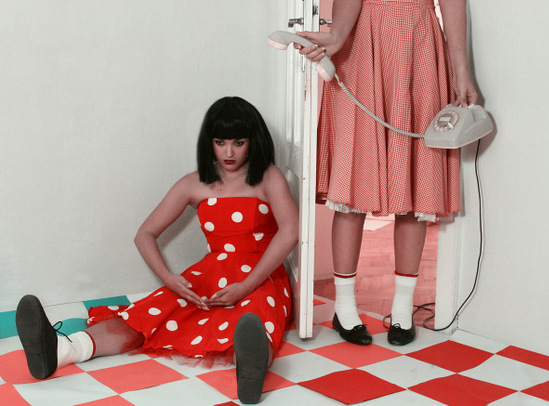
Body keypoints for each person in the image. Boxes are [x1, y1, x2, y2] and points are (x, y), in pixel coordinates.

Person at [15, 96, 299, 404]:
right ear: (209, 142)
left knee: (253, 318)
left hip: (262, 275)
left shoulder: (268, 176)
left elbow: (290, 231)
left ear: (253, 141)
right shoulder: (193, 183)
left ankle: (251, 372)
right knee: (149, 314)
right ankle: (62, 350)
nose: (229, 153)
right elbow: (145, 234)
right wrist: (168, 278)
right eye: (220, 142)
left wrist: (247, 284)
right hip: (209, 273)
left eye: (238, 143)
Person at [296, 0, 478, 346]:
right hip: (363, 43)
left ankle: (403, 309)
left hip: (420, 45)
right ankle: (344, 308)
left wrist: (461, 70)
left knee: (414, 180)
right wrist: (337, 34)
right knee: (354, 180)